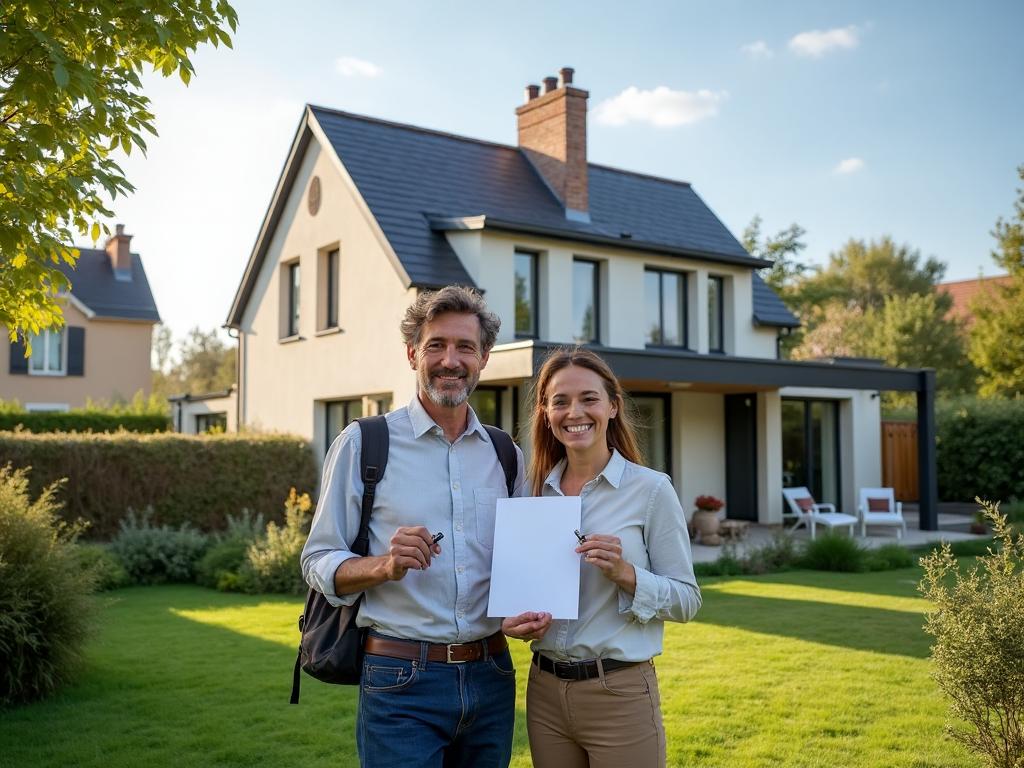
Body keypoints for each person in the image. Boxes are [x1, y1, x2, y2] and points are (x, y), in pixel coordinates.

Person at [301, 285, 528, 768]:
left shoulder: (505, 454)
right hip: (400, 678)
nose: (451, 359)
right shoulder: (365, 443)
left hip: (492, 674)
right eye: (436, 345)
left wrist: (529, 609)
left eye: (465, 346)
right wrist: (383, 565)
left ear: (484, 357)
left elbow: (523, 568)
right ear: (412, 354)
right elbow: (317, 560)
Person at [503, 347, 702, 768]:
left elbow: (687, 599)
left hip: (620, 692)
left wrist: (627, 574)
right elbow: (519, 594)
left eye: (589, 398)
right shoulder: (531, 494)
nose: (575, 411)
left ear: (613, 406)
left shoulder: (650, 490)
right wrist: (515, 621)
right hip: (544, 693)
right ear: (545, 412)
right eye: (560, 401)